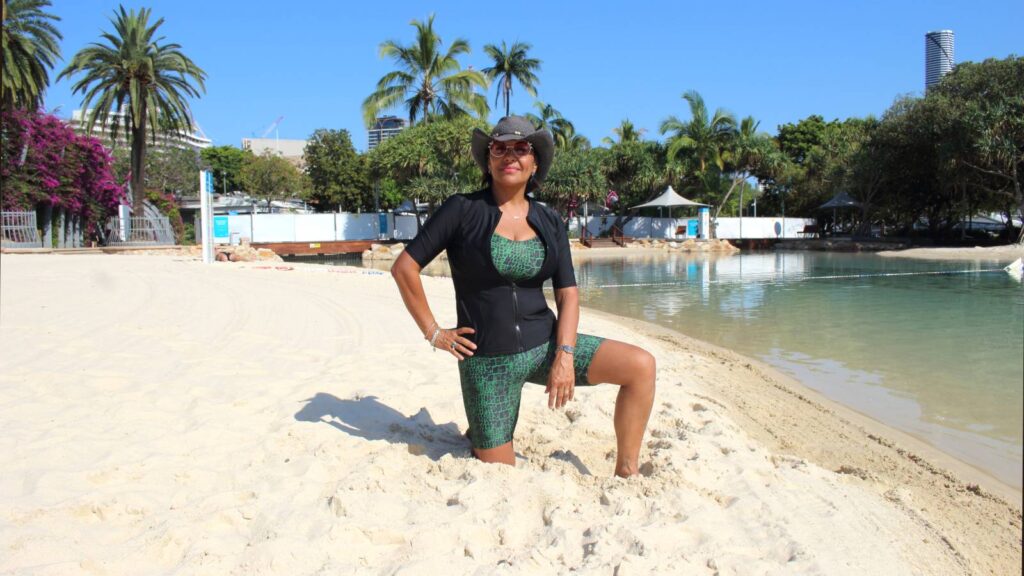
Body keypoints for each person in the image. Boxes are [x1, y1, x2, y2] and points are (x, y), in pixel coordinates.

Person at [391, 116, 656, 477]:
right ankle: (482, 432)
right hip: (488, 363)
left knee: (641, 366)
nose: (509, 156)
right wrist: (434, 332)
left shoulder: (549, 220)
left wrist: (564, 355)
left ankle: (627, 468)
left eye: (521, 149)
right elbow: (404, 268)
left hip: (544, 348)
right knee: (501, 469)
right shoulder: (462, 210)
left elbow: (567, 294)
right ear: (489, 160)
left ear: (534, 163)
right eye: (499, 148)